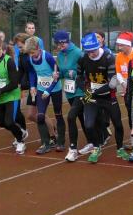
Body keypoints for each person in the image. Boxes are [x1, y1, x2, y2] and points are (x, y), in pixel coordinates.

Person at [75, 32, 127, 163]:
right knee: (88, 125)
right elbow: (78, 77)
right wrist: (86, 90)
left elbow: (112, 84)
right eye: (88, 51)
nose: (91, 54)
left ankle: (120, 148)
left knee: (118, 124)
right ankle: (96, 147)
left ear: (98, 46)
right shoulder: (83, 58)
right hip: (91, 95)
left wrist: (94, 92)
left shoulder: (109, 57)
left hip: (108, 96)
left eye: (93, 51)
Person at [0, 33, 26, 154]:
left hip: (11, 95)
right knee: (1, 123)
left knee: (9, 121)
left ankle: (20, 141)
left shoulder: (8, 61)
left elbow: (14, 83)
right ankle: (21, 131)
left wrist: (0, 90)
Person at [56, 30, 93, 161]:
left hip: (81, 90)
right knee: (81, 117)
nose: (60, 46)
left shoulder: (78, 53)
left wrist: (76, 74)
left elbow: (87, 70)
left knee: (71, 116)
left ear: (67, 41)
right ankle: (92, 142)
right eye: (57, 44)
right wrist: (58, 75)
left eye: (62, 43)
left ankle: (73, 149)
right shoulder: (60, 55)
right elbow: (63, 72)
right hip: (69, 91)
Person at [25, 36, 64, 153]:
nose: (31, 55)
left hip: (55, 89)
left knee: (58, 114)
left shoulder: (48, 57)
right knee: (40, 116)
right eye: (29, 53)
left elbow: (57, 74)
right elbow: (32, 72)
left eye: (33, 52)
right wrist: (32, 86)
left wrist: (49, 90)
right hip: (41, 88)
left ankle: (61, 142)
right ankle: (45, 144)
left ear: (38, 48)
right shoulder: (30, 58)